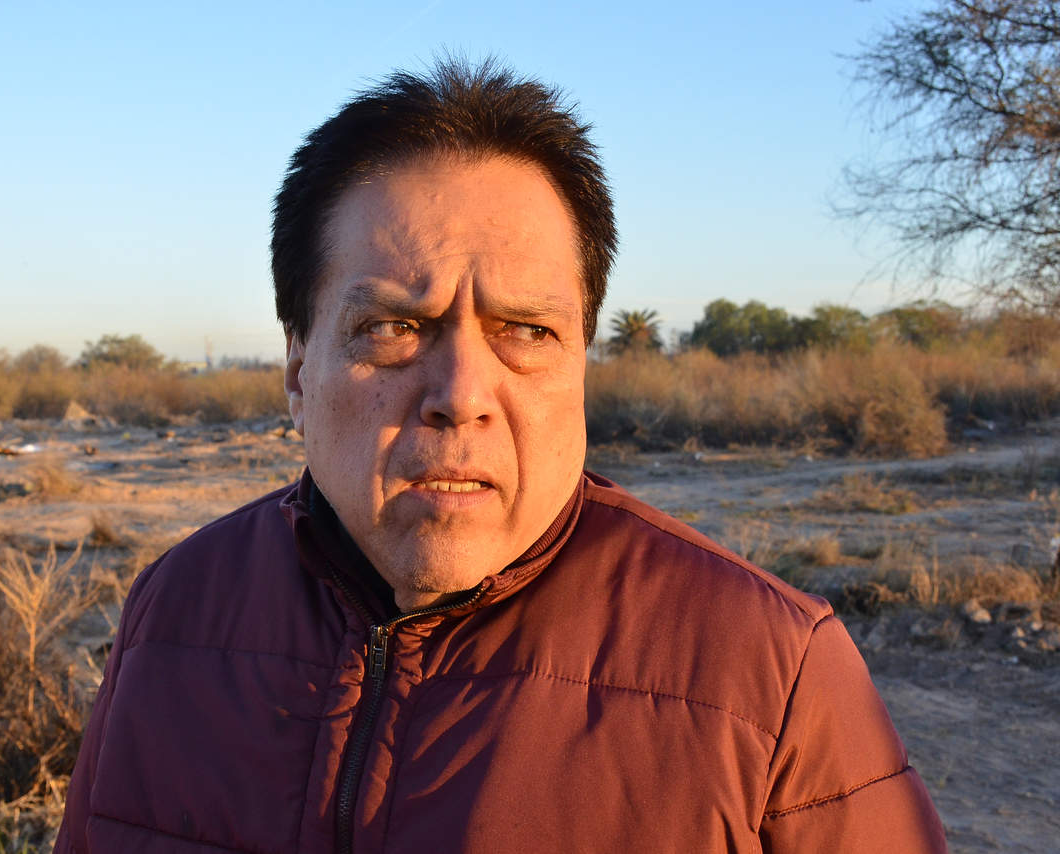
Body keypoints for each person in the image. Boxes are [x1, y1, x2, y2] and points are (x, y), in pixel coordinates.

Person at [54, 60, 947, 853]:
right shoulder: (173, 612)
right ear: (298, 367)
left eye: (526, 330)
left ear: (582, 363)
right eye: (393, 327)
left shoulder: (772, 672)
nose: (462, 393)